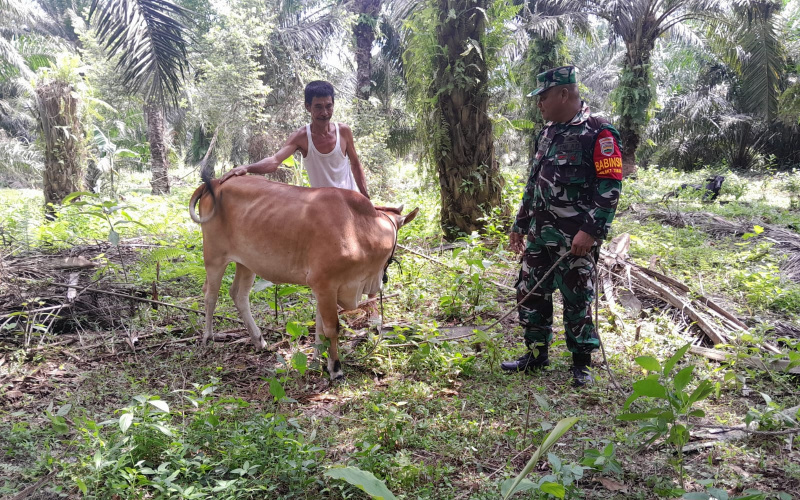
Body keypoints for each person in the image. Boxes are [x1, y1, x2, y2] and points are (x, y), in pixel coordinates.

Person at [501, 66, 623, 387]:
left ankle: (581, 363)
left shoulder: (599, 132)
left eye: (543, 96)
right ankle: (536, 354)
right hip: (540, 235)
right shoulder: (548, 132)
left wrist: (591, 232)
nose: (539, 103)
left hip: (575, 239)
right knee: (530, 293)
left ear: (564, 94)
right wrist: (520, 223)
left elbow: (610, 187)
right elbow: (534, 182)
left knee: (577, 298)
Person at [220, 80, 369, 199]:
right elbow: (274, 161)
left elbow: (355, 165)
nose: (324, 113)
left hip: (350, 201)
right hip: (322, 207)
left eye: (328, 106)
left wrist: (366, 197)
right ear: (308, 107)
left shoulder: (343, 131)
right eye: (318, 107)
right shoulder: (302, 136)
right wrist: (246, 168)